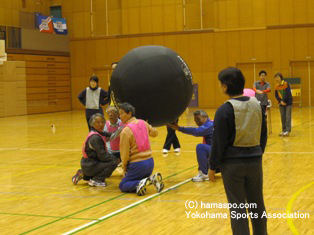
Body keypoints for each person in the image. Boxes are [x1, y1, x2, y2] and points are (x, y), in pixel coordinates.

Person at [209, 67, 268, 235]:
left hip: (232, 165)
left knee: (238, 208)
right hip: (255, 161)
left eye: (220, 84)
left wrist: (212, 166)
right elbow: (263, 135)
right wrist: (257, 153)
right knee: (257, 204)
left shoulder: (224, 109)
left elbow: (218, 142)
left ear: (226, 86)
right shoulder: (257, 105)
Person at [118, 102, 164, 196]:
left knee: (123, 185)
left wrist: (124, 167)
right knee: (138, 179)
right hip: (150, 163)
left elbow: (124, 153)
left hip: (137, 165)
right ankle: (150, 179)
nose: (120, 116)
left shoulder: (125, 131)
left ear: (130, 113)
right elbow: (155, 133)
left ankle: (141, 183)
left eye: (122, 113)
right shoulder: (143, 123)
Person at [167, 110, 219, 182]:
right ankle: (210, 170)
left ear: (205, 117)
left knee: (201, 147)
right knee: (205, 150)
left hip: (219, 155)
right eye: (195, 121)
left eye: (198, 119)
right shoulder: (212, 123)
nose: (197, 122)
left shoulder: (209, 125)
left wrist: (179, 128)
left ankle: (204, 175)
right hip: (219, 155)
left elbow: (197, 131)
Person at [72, 113, 121, 187]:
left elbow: (112, 135)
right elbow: (103, 156)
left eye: (102, 122)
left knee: (109, 163)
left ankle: (84, 174)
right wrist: (117, 159)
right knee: (113, 161)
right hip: (90, 164)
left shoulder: (99, 132)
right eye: (98, 122)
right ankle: (97, 180)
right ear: (92, 124)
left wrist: (122, 128)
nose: (101, 124)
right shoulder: (95, 137)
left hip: (88, 163)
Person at [274, 72, 293, 137]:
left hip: (288, 103)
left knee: (288, 117)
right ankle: (283, 130)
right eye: (276, 77)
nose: (277, 79)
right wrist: (280, 101)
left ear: (281, 78)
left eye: (278, 77)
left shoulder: (285, 84)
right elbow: (276, 95)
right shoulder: (276, 86)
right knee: (283, 117)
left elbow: (288, 94)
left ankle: (288, 131)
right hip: (281, 103)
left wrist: (284, 101)